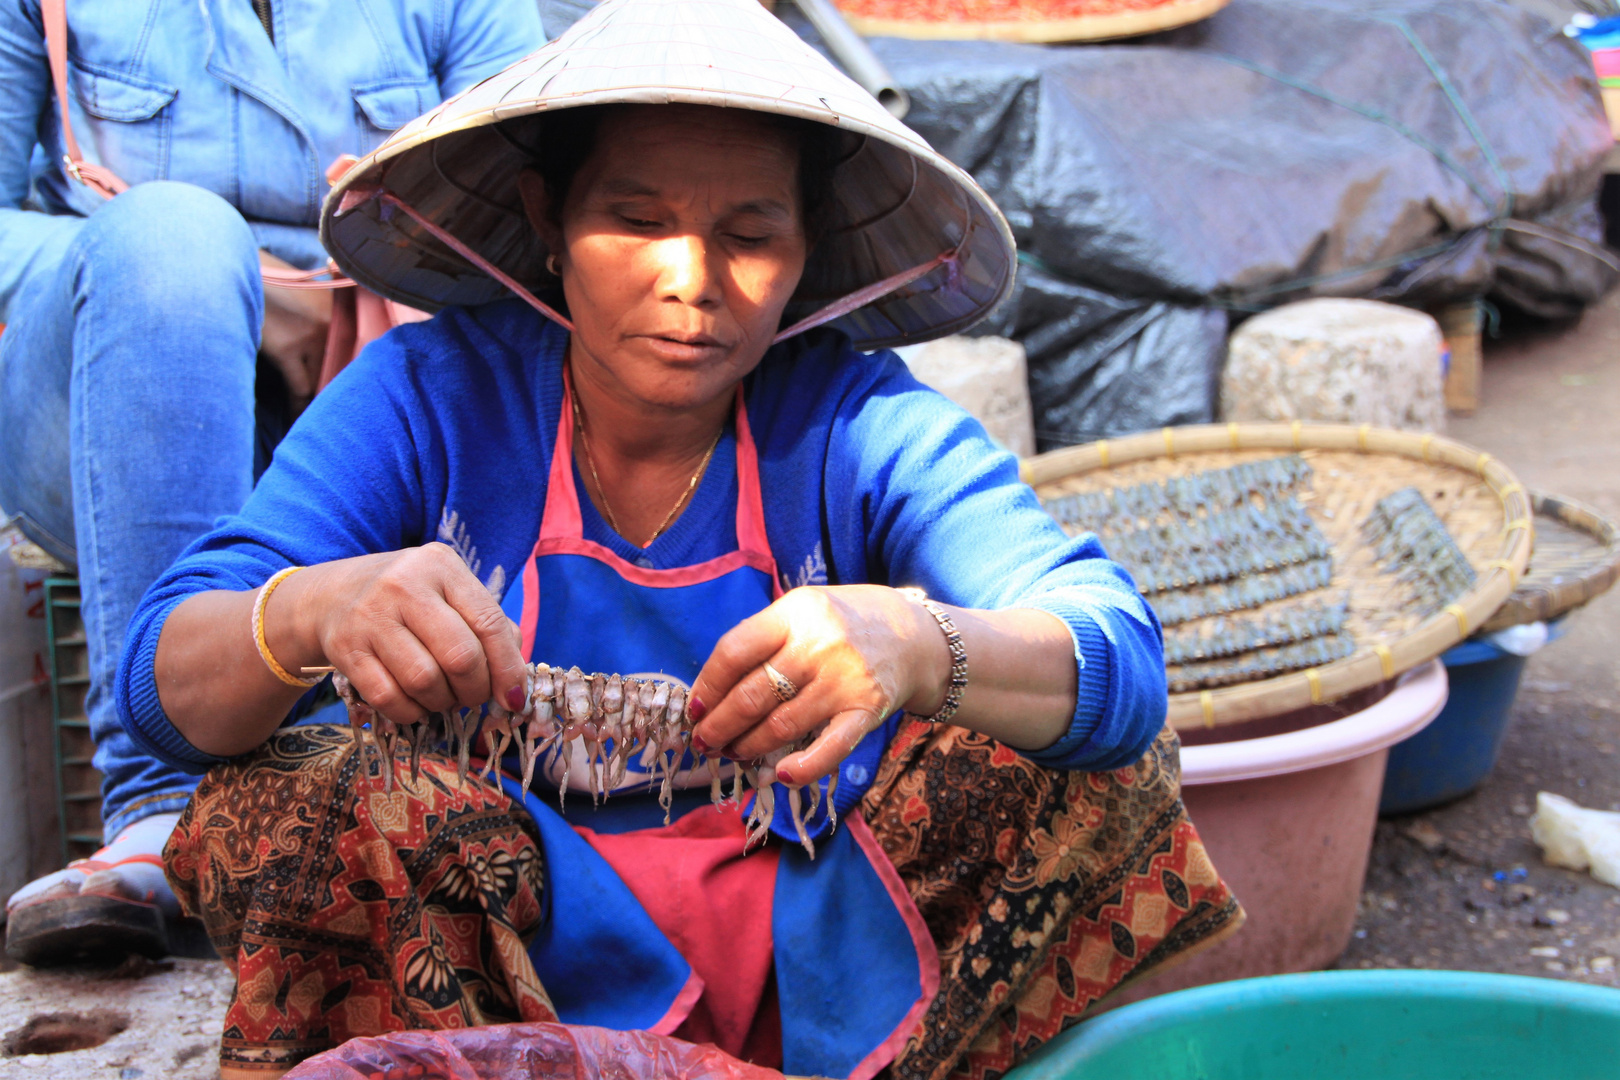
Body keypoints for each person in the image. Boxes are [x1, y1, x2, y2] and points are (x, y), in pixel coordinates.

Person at [121, 0, 1242, 1076]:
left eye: (751, 235)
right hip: (501, 943)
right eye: (636, 222)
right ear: (548, 220)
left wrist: (911, 639)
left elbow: (1115, 659)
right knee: (295, 790)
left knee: (1077, 763)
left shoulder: (855, 424)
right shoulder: (430, 395)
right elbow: (162, 688)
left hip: (807, 915)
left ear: (811, 253)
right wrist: (316, 609)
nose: (692, 282)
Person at [0, 0, 546, 965]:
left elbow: (530, 212)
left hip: (363, 392)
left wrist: (355, 281)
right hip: (109, 386)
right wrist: (239, 284)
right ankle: (156, 808)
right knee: (175, 243)